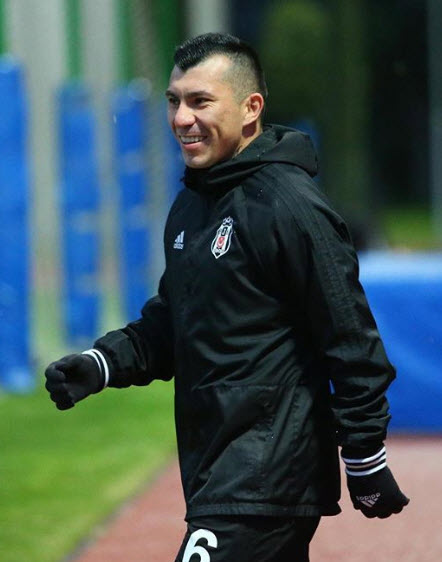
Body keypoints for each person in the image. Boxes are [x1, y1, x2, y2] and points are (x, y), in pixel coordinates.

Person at [45, 32, 409, 561]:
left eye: (200, 101)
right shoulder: (192, 205)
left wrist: (365, 455)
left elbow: (350, 337)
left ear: (250, 108)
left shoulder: (289, 206)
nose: (182, 118)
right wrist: (102, 363)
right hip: (217, 471)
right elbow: (175, 322)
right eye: (174, 101)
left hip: (265, 475)